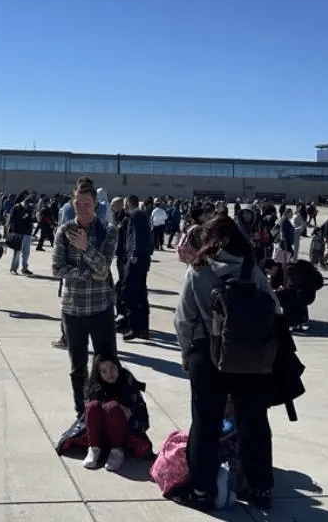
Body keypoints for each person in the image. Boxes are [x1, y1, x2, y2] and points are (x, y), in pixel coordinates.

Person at [173, 215, 280, 511]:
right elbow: (273, 308)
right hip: (249, 356)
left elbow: (184, 320)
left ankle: (202, 491)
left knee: (205, 424)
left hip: (208, 354)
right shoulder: (252, 268)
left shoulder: (198, 271)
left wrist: (186, 355)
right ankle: (260, 489)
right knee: (254, 422)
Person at [52, 178, 118, 419]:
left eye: (87, 203)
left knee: (108, 363)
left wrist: (86, 247)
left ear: (96, 204)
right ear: (72, 201)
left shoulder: (108, 231)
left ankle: (110, 410)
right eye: (78, 203)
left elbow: (104, 269)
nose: (82, 208)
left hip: (100, 309)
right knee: (77, 366)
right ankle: (83, 413)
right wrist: (88, 273)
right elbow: (57, 269)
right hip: (73, 310)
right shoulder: (64, 230)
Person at [82, 354, 149, 471]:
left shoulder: (128, 383)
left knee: (112, 407)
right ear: (99, 374)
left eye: (112, 368)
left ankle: (117, 452)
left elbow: (140, 417)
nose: (109, 373)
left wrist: (124, 410)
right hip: (102, 433)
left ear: (118, 367)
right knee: (92, 406)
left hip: (125, 433)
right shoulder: (95, 386)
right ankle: (94, 449)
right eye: (104, 371)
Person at [118, 195, 153, 342]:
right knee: (140, 293)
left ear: (129, 204)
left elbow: (135, 238)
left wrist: (133, 256)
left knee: (130, 294)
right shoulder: (141, 216)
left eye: (125, 205)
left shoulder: (136, 216)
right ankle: (142, 328)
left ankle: (134, 327)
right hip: (141, 260)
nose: (124, 208)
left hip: (136, 261)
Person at [7, 193, 34, 275]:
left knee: (26, 252)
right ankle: (13, 268)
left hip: (27, 232)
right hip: (18, 232)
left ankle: (24, 268)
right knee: (17, 251)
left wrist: (32, 217)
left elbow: (32, 220)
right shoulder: (16, 207)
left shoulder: (30, 208)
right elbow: (11, 219)